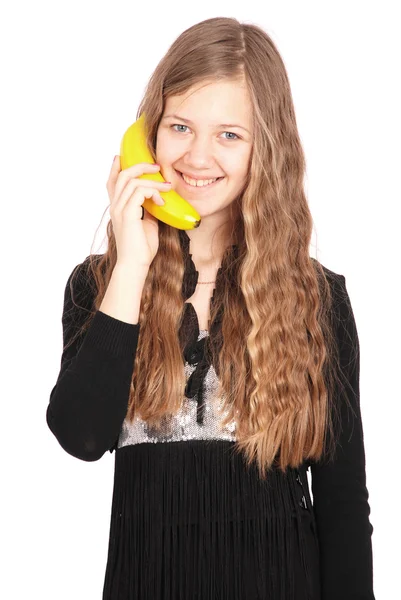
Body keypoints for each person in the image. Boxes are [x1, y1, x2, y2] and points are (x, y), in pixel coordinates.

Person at [46, 16, 375, 600]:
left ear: (264, 150)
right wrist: (131, 268)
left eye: (229, 134)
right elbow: (81, 435)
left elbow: (344, 511)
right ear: (148, 137)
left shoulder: (316, 300)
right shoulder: (98, 288)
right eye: (180, 127)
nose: (198, 156)